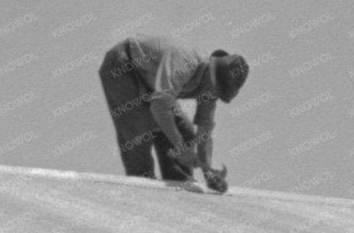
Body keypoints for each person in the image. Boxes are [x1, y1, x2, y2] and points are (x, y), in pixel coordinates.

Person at [97, 35, 248, 191]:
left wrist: (207, 171)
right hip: (123, 64)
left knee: (186, 132)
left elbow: (204, 130)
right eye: (216, 89)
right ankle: (142, 186)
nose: (213, 95)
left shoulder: (210, 89)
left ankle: (178, 184)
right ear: (211, 74)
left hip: (152, 82)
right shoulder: (185, 62)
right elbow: (159, 107)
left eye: (219, 93)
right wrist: (180, 148)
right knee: (139, 131)